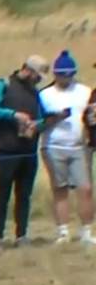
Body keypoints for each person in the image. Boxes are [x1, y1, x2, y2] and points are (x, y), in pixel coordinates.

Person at [0, 56, 50, 248]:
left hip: (28, 151)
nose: (39, 80)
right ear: (28, 70)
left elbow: (41, 116)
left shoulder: (35, 92)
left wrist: (37, 125)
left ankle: (22, 234)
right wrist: (13, 115)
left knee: (24, 195)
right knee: (2, 194)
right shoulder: (2, 85)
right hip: (5, 150)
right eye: (37, 75)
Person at [38, 51, 94, 247]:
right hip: (53, 146)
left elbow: (90, 117)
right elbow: (39, 123)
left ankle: (86, 232)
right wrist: (55, 118)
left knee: (85, 189)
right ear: (55, 74)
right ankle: (63, 231)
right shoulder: (45, 95)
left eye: (70, 74)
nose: (66, 78)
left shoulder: (84, 92)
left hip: (79, 147)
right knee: (60, 189)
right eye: (62, 75)